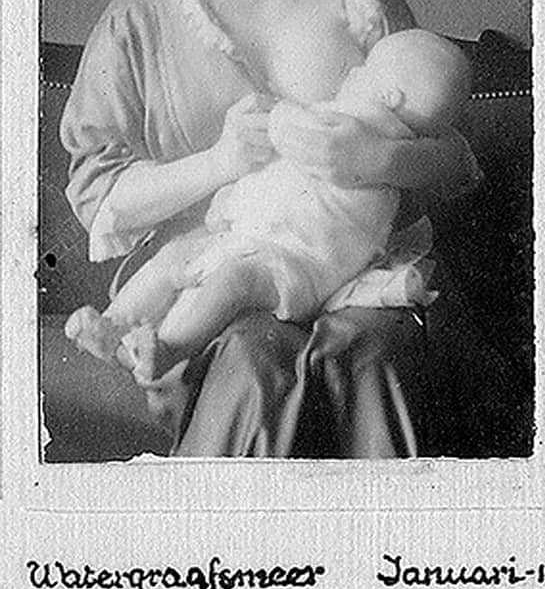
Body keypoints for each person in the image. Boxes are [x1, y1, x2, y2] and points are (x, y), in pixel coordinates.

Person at [60, 0, 490, 459]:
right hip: (201, 277)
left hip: (354, 271)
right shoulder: (139, 21)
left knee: (374, 351)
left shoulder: (365, 6)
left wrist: (376, 158)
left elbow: (453, 161)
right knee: (252, 357)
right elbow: (100, 197)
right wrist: (220, 163)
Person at [64, 28, 472, 386]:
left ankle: (167, 348)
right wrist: (227, 182)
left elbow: (292, 136)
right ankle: (115, 327)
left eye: (366, 69)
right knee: (178, 258)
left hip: (295, 261)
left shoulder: (359, 122)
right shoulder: (377, 126)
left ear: (389, 97)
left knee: (229, 281)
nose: (353, 72)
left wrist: (272, 114)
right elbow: (284, 179)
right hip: (260, 235)